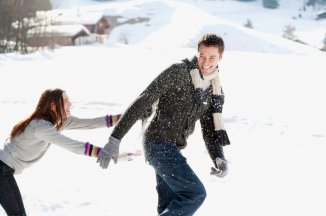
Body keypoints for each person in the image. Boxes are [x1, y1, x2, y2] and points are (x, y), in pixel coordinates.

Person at [98, 33, 231, 215]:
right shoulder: (178, 72)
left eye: (212, 57)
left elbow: (209, 128)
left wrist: (218, 156)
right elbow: (144, 100)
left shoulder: (215, 91)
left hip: (173, 149)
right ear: (197, 53)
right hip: (157, 143)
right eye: (202, 56)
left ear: (221, 58)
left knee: (169, 206)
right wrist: (115, 138)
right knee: (194, 194)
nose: (206, 62)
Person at [0, 88, 121, 216]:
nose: (71, 104)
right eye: (66, 101)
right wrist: (101, 152)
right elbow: (70, 144)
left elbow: (89, 123)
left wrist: (128, 117)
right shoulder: (40, 127)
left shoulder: (57, 122)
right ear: (53, 106)